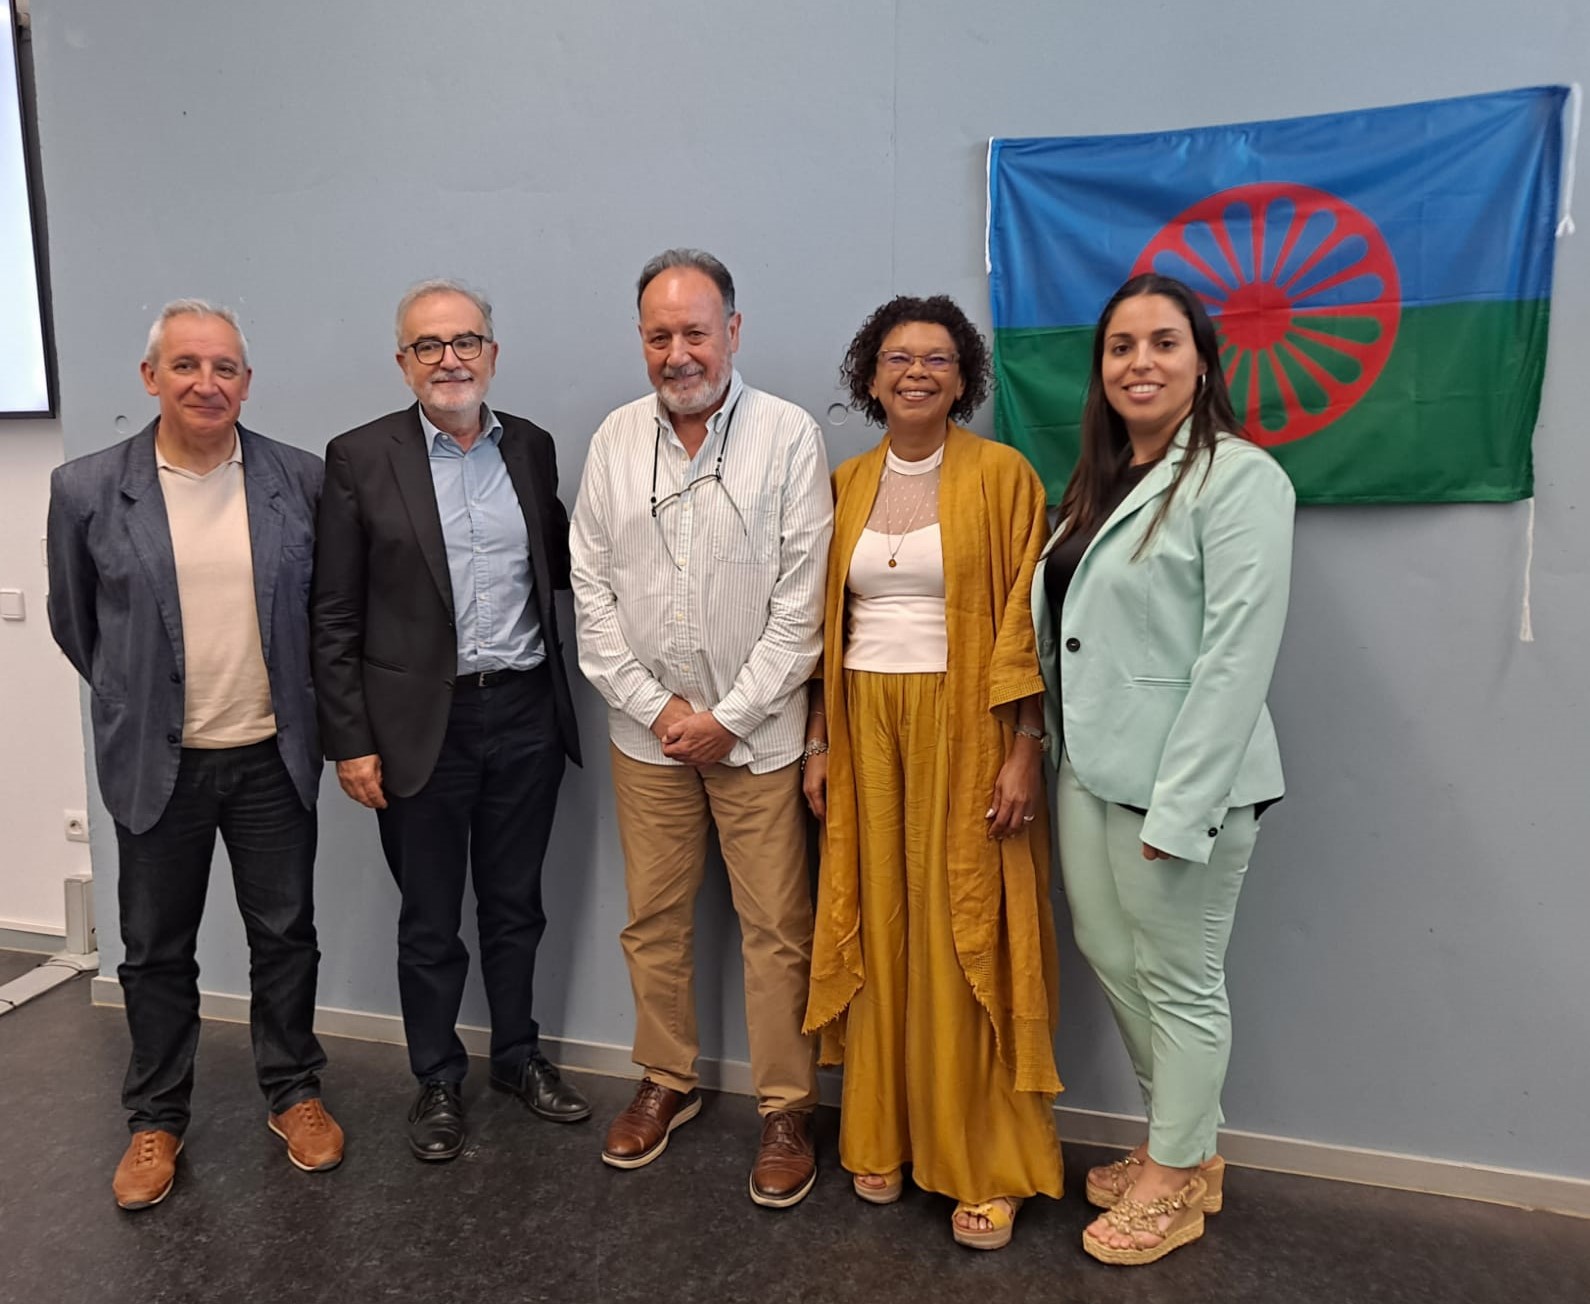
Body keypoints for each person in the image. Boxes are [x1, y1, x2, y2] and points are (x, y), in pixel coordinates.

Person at [47, 300, 340, 1210]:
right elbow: (77, 623)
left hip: (271, 757)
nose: (206, 383)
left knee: (285, 938)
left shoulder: (301, 480)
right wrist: (135, 701)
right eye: (185, 365)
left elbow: (325, 616)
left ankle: (292, 1093)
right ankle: (156, 1118)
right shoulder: (87, 489)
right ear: (150, 377)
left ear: (247, 383)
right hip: (155, 763)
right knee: (153, 950)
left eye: (224, 368)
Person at [1033, 272, 1295, 1266]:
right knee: (1110, 952)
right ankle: (1179, 1146)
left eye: (1163, 342)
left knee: (1181, 980)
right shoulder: (1098, 483)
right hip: (1089, 771)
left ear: (1203, 363)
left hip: (1180, 789)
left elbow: (1236, 659)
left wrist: (1181, 810)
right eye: (1121, 346)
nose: (1139, 362)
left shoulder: (1240, 479)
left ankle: (1176, 1172)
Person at [570, 249, 832, 1208]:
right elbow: (590, 592)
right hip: (647, 741)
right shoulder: (613, 441)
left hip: (757, 742)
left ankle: (786, 1108)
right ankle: (666, 1080)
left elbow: (803, 606)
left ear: (732, 330)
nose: (678, 352)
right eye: (659, 335)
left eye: (695, 331)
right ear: (641, 340)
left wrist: (728, 717)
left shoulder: (789, 437)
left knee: (777, 933)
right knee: (654, 921)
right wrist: (660, 709)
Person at [802, 294, 1062, 1251]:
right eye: (898, 358)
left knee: (966, 931)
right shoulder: (844, 484)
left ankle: (983, 1160)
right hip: (865, 723)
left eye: (938, 359)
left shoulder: (1003, 477)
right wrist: (819, 742)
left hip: (970, 723)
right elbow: (823, 627)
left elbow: (1026, 622)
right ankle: (885, 1129)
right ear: (870, 378)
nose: (917, 372)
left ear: (964, 379)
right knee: (879, 919)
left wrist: (1025, 747)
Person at [312, 279, 588, 1163]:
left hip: (525, 713)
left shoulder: (530, 448)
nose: (449, 360)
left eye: (465, 341)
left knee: (515, 905)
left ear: (492, 355)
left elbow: (566, 564)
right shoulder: (360, 457)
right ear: (403, 363)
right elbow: (334, 614)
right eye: (427, 346)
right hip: (416, 728)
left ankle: (517, 1056)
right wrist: (350, 740)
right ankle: (436, 1076)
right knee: (430, 919)